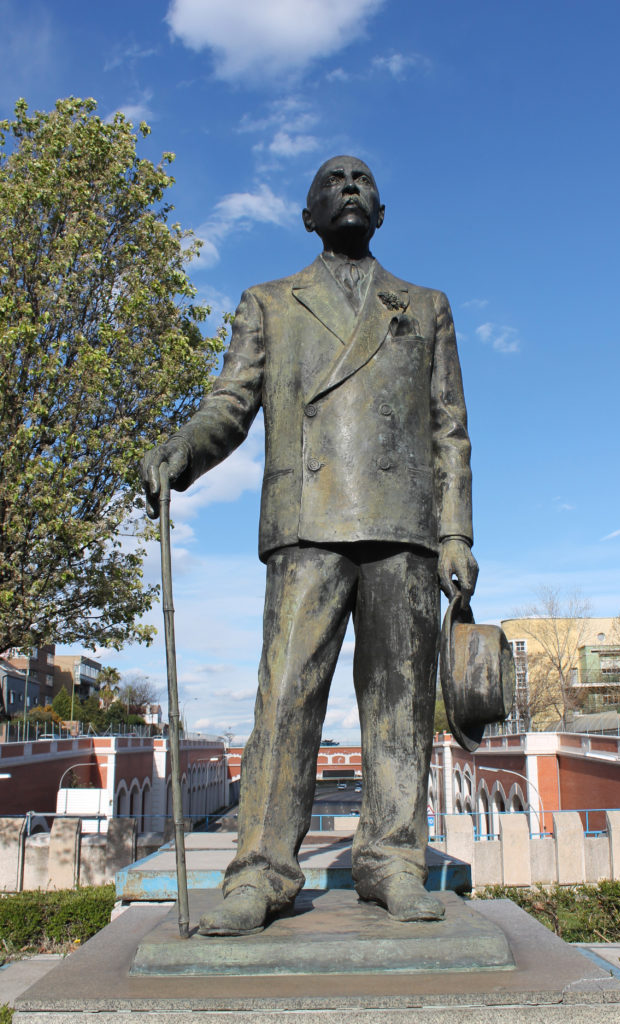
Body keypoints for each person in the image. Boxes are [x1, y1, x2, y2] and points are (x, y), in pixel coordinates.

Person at [141, 156, 477, 936]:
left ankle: (393, 860)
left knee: (397, 708)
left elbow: (448, 429)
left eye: (362, 179)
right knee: (284, 700)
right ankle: (259, 873)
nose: (349, 186)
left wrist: (455, 532)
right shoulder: (269, 302)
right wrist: (183, 452)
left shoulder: (424, 305)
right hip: (304, 522)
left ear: (382, 212)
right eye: (333, 180)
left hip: (403, 526)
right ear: (306, 215)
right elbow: (230, 400)